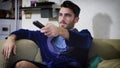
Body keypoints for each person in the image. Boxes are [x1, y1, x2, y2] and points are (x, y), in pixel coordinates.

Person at [2, 1, 92, 68]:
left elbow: (84, 41)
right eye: (60, 15)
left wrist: (59, 31)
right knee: (21, 65)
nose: (62, 19)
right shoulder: (45, 35)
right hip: (48, 66)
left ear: (76, 20)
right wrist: (11, 38)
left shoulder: (84, 35)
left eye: (67, 15)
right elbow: (24, 32)